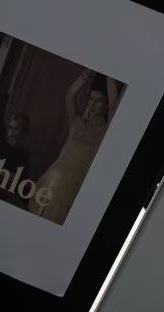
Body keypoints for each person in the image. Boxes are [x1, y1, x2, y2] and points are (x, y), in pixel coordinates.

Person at [31, 69, 120, 224]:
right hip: (53, 183)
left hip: (74, 190)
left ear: (105, 106)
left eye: (98, 101)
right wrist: (88, 72)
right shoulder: (76, 124)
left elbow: (114, 106)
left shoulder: (104, 133)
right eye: (91, 99)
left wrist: (110, 73)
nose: (92, 104)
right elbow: (70, 95)